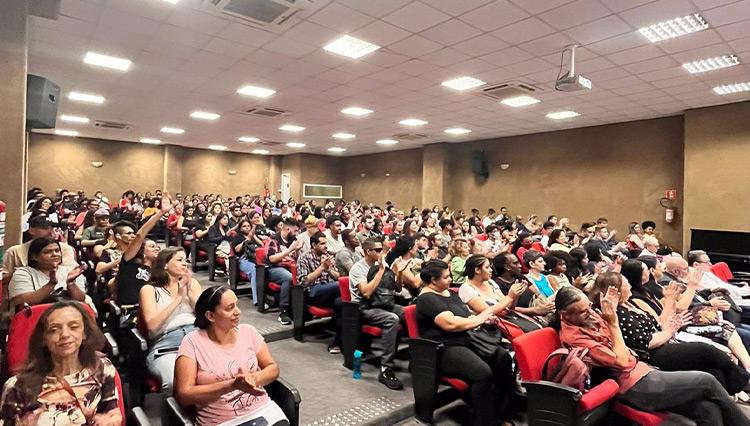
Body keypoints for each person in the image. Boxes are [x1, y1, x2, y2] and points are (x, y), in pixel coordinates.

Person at [555, 285, 749, 426]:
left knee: (708, 410)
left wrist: (610, 315)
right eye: (582, 311)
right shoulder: (574, 337)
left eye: (589, 306)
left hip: (643, 371)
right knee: (706, 380)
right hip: (632, 387)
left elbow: (620, 345)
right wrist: (613, 322)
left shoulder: (589, 317)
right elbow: (622, 361)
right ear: (565, 315)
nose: (590, 312)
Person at [589, 271, 750, 395]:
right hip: (651, 353)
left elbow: (658, 323)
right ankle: (745, 380)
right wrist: (669, 330)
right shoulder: (616, 312)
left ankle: (728, 395)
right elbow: (646, 342)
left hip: (664, 340)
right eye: (625, 284)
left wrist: (670, 310)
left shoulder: (631, 304)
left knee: (713, 371)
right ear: (615, 290)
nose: (630, 286)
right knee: (706, 351)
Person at [416, 260, 515, 426]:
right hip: (444, 347)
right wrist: (480, 318)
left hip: (466, 339)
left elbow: (464, 315)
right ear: (433, 280)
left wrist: (481, 320)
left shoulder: (449, 293)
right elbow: (451, 324)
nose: (451, 279)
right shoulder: (426, 299)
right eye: (446, 277)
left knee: (503, 358)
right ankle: (484, 421)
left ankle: (501, 413)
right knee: (482, 372)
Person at [174, 286, 288, 426]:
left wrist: (252, 378)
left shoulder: (248, 332)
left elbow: (272, 368)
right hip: (222, 421)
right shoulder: (192, 342)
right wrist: (231, 386)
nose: (238, 312)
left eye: (237, 305)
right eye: (230, 308)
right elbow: (184, 395)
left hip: (262, 410)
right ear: (210, 316)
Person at [0, 301, 121, 425]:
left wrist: (111, 420)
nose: (65, 334)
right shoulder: (17, 387)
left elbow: (113, 413)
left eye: (73, 327)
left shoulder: (101, 368)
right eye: (54, 330)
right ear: (43, 339)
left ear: (84, 333)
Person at [139, 248, 201, 391]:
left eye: (185, 260)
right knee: (174, 382)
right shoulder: (150, 289)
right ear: (165, 265)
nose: (185, 264)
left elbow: (207, 317)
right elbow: (152, 326)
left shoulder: (193, 285)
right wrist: (178, 298)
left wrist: (189, 293)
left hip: (197, 338)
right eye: (179, 260)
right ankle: (171, 413)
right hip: (166, 344)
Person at [348, 238, 403, 389]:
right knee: (392, 319)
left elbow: (397, 289)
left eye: (382, 250)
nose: (382, 253)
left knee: (407, 313)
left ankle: (399, 353)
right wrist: (380, 271)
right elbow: (366, 293)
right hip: (363, 308)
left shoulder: (382, 264)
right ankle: (386, 368)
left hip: (381, 303)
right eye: (378, 250)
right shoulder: (358, 268)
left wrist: (400, 273)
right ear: (367, 252)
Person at [459, 255, 542, 333]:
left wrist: (516, 295)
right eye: (487, 267)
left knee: (539, 327)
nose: (491, 270)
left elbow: (509, 307)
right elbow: (488, 312)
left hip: (509, 318)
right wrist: (510, 296)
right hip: (492, 327)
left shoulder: (490, 282)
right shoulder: (466, 288)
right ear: (477, 270)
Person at [113, 195, 171, 307]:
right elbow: (139, 236)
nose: (157, 249)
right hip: (132, 311)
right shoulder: (129, 262)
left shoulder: (157, 271)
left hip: (154, 308)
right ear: (142, 250)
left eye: (157, 247)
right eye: (152, 246)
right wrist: (160, 213)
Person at [9, 237, 87, 310]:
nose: (55, 254)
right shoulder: (23, 274)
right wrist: (50, 285)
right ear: (34, 257)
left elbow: (80, 300)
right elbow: (20, 301)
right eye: (48, 252)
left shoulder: (71, 271)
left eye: (57, 250)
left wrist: (71, 283)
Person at [296, 231, 342, 353]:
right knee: (341, 285)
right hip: (312, 293)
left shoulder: (328, 256)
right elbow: (304, 282)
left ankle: (337, 343)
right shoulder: (304, 257)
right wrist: (321, 268)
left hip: (328, 292)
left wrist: (328, 269)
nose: (326, 246)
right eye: (322, 244)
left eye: (326, 243)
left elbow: (337, 276)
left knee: (342, 303)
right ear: (313, 245)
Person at [266, 218, 302, 325]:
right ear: (287, 229)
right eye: (295, 231)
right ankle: (283, 311)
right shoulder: (274, 239)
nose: (297, 233)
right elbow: (272, 258)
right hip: (274, 268)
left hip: (290, 267)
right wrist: (290, 250)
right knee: (289, 278)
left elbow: (297, 259)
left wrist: (297, 250)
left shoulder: (293, 240)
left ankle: (299, 309)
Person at [232, 219, 263, 306]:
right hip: (244, 259)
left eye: (248, 226)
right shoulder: (238, 236)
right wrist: (247, 239)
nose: (247, 228)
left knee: (263, 269)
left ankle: (265, 296)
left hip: (256, 257)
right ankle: (257, 300)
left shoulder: (253, 236)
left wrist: (253, 236)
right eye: (244, 226)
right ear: (240, 228)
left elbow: (263, 245)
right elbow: (236, 249)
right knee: (254, 270)